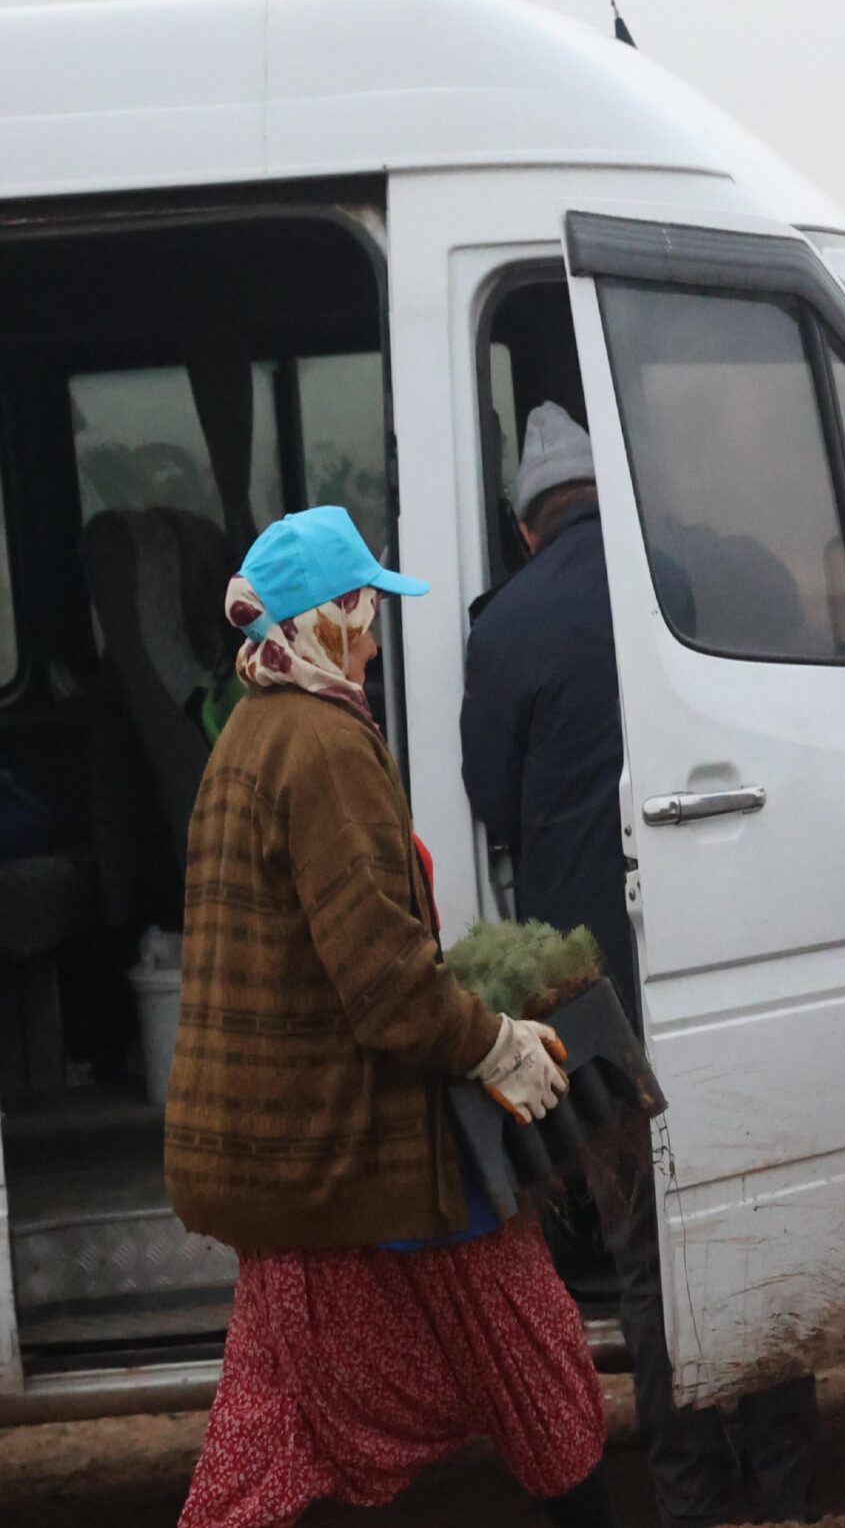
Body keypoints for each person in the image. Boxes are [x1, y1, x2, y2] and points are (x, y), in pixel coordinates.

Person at [166, 505, 615, 1527]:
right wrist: (495, 1042)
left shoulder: (247, 738)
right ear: (322, 624)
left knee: (269, 1447)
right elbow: (380, 981)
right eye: (362, 611)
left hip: (279, 1162)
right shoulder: (325, 749)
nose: (372, 635)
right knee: (541, 1377)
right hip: (358, 1159)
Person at [463, 404, 819, 1528]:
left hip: (589, 995)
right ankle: (784, 1488)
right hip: (706, 949)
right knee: (746, 1219)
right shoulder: (661, 576)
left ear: (526, 527)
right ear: (606, 504)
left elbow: (487, 805)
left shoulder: (504, 626)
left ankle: (689, 1500)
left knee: (646, 1255)